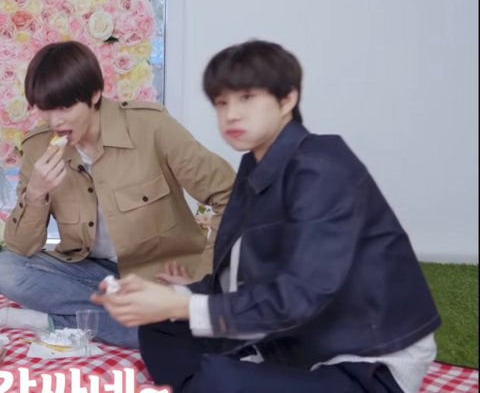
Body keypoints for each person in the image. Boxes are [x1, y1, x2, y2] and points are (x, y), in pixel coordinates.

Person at [92, 40, 441, 392]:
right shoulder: (255, 166)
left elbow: (301, 294)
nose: (231, 114)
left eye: (247, 98)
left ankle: (217, 380)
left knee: (217, 377)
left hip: (362, 361)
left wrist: (184, 306)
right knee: (158, 325)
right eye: (222, 103)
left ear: (287, 99)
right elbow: (239, 279)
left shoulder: (322, 166)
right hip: (291, 341)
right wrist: (174, 295)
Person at [0, 41, 235, 349]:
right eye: (45, 108)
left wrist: (202, 275)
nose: (55, 121)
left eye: (65, 108)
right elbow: (20, 248)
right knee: (6, 270)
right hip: (91, 275)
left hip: (160, 273)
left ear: (95, 94)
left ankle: (60, 321)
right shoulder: (37, 147)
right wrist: (35, 193)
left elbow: (231, 194)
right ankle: (147, 323)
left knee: (191, 327)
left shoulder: (151, 127)